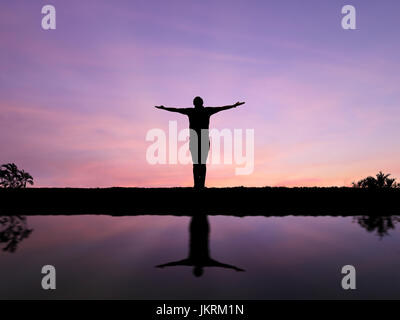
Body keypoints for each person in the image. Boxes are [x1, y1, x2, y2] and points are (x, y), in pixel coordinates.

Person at [155, 97, 245, 188]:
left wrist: (164, 108)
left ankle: (198, 185)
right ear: (202, 103)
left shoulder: (193, 111)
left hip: (197, 139)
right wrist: (233, 106)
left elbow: (176, 110)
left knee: (197, 164)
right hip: (201, 139)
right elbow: (221, 108)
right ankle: (200, 185)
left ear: (194, 103)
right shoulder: (205, 110)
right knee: (201, 164)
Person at [156, 214, 244, 277]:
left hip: (199, 231)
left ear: (200, 270)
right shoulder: (193, 262)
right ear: (196, 270)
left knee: (199, 214)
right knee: (200, 214)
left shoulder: (202, 262)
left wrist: (234, 268)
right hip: (199, 231)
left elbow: (176, 264)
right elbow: (222, 265)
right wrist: (234, 268)